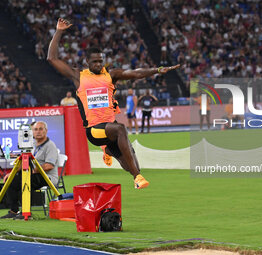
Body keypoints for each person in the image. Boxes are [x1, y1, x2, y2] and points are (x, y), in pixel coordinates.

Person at [47, 18, 180, 189]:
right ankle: (137, 177)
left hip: (110, 127)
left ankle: (117, 158)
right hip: (94, 130)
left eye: (100, 61)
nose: (98, 64)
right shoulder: (78, 76)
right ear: (87, 62)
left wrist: (157, 70)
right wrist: (59, 30)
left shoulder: (111, 75)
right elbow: (52, 58)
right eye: (94, 61)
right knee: (121, 129)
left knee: (130, 160)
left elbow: (136, 73)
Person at [1, 121, 59, 219]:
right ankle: (13, 211)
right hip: (34, 175)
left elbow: (49, 166)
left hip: (48, 177)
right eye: (35, 129)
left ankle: (25, 212)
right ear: (32, 132)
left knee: (26, 181)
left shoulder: (50, 145)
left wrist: (33, 171)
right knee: (11, 181)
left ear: (46, 131)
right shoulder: (31, 145)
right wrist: (11, 174)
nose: (38, 132)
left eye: (41, 129)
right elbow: (25, 161)